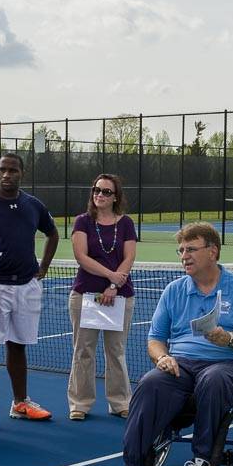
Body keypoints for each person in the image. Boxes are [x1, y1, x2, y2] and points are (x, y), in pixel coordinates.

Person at [117, 222, 233, 466]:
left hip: (226, 362)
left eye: (191, 249)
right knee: (150, 383)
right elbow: (155, 339)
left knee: (213, 380)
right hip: (181, 364)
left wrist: (231, 338)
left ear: (212, 252)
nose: (184, 256)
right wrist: (162, 357)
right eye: (181, 250)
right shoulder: (174, 290)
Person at [0, 152, 60, 428]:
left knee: (18, 345)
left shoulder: (33, 205)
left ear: (22, 173)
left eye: (12, 170)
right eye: (2, 170)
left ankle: (20, 402)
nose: (6, 175)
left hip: (27, 286)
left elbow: (51, 233)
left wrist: (43, 268)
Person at [68, 174, 137, 420]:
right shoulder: (82, 222)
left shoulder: (126, 223)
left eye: (106, 191)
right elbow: (81, 257)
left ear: (115, 196)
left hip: (120, 297)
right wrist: (111, 276)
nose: (100, 194)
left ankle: (120, 402)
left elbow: (129, 257)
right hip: (85, 295)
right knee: (83, 351)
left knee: (116, 351)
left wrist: (114, 286)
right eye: (97, 189)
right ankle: (80, 404)